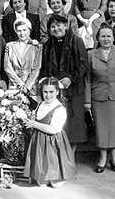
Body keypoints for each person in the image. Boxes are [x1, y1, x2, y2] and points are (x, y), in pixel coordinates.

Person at [40, 14, 88, 153]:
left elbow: (83, 65)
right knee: (58, 122)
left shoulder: (76, 41)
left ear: (65, 26)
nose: (56, 29)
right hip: (56, 91)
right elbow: (44, 68)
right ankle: (59, 156)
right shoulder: (48, 45)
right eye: (53, 26)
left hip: (74, 88)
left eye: (59, 25)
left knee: (74, 124)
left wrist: (71, 78)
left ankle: (70, 156)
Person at [85, 23, 115, 174]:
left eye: (109, 36)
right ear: (98, 38)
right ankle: (102, 159)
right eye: (103, 36)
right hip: (98, 96)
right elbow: (87, 79)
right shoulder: (91, 54)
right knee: (101, 129)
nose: (106, 39)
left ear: (113, 37)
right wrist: (87, 101)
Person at [24, 77, 75, 187]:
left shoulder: (59, 108)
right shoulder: (41, 104)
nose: (48, 95)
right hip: (40, 142)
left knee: (55, 184)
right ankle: (42, 174)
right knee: (41, 183)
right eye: (45, 92)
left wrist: (34, 124)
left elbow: (53, 129)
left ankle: (56, 175)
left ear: (57, 92)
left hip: (53, 144)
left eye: (51, 92)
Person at [4, 19, 42, 96]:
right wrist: (20, 84)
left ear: (29, 30)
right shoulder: (10, 46)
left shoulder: (37, 46)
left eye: (24, 30)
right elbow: (7, 67)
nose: (22, 33)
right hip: (14, 87)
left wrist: (27, 86)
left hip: (31, 88)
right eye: (19, 31)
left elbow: (37, 68)